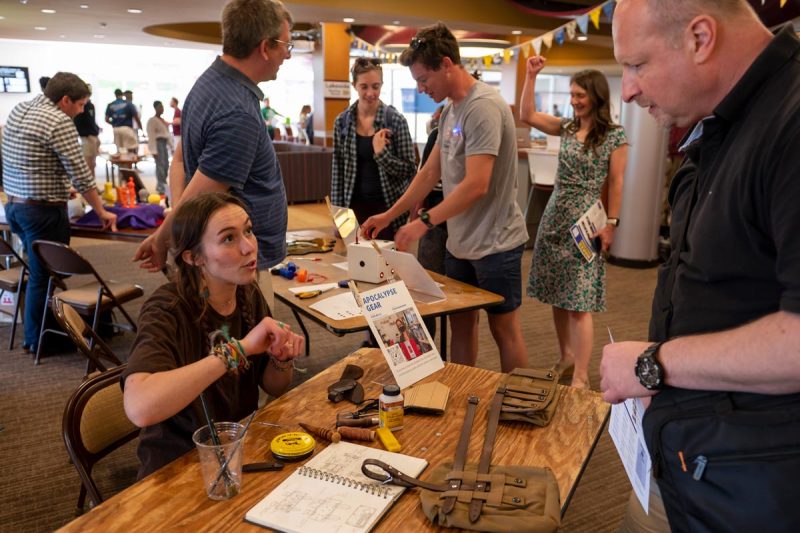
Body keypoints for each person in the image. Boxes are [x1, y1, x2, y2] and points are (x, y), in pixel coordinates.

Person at [601, 0, 800, 530]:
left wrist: (654, 364)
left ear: (700, 38)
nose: (628, 89)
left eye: (637, 64)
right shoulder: (722, 125)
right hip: (693, 462)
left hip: (752, 491)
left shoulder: (790, 123)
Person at [361, 23, 529, 373]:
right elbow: (428, 174)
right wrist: (389, 215)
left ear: (447, 64)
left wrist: (424, 223)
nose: (422, 89)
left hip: (496, 244)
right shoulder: (452, 108)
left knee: (505, 331)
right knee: (461, 325)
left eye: (425, 80)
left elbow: (476, 184)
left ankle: (524, 408)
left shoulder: (482, 107)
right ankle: (465, 390)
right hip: (461, 243)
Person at [122, 192, 304, 479]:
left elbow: (275, 387)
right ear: (194, 258)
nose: (249, 247)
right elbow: (140, 408)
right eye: (228, 238)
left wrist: (281, 359)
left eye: (248, 231)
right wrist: (237, 350)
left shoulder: (247, 293)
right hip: (178, 466)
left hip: (236, 451)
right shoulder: (167, 309)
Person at [133, 0, 293, 315]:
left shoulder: (208, 84)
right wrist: (168, 237)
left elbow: (181, 162)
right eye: (286, 46)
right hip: (237, 254)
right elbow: (206, 187)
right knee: (250, 346)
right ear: (265, 47)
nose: (286, 56)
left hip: (222, 248)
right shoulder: (237, 110)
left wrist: (181, 228)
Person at [520, 57, 628, 390]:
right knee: (557, 294)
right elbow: (527, 115)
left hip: (587, 223)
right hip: (555, 216)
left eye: (580, 94)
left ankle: (582, 374)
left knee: (580, 304)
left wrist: (612, 223)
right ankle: (566, 357)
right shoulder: (566, 127)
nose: (574, 100)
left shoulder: (614, 136)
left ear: (596, 96)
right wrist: (531, 75)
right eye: (571, 94)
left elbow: (617, 180)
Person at [1, 72, 117, 354]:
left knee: (38, 270)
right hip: (40, 213)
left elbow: (28, 158)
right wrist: (101, 211)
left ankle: (43, 329)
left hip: (15, 207)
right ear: (65, 100)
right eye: (80, 105)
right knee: (44, 276)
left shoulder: (21, 108)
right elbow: (81, 174)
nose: (81, 112)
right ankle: (37, 341)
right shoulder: (59, 121)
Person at [331, 57, 416, 240]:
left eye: (376, 87)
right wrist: (338, 216)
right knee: (355, 262)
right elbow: (338, 172)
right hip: (353, 209)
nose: (370, 93)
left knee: (385, 264)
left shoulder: (395, 121)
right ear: (354, 85)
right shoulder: (342, 122)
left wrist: (382, 154)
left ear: (382, 85)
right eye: (364, 87)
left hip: (387, 210)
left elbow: (409, 170)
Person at [146, 100, 174, 195]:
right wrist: (153, 150)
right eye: (160, 107)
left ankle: (162, 184)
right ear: (156, 108)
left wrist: (172, 146)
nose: (162, 109)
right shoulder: (152, 120)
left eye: (162, 107)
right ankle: (161, 187)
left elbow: (167, 134)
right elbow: (151, 136)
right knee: (160, 166)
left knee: (165, 165)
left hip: (164, 144)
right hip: (158, 144)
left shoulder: (162, 120)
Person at [73, 85, 101, 176]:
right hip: (87, 136)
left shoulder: (89, 105)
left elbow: (91, 120)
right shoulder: (83, 105)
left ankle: (92, 184)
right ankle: (90, 187)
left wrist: (96, 129)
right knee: (89, 164)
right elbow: (79, 121)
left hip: (91, 135)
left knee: (92, 163)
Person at [105, 88, 140, 154]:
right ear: (122, 94)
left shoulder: (110, 105)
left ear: (115, 95)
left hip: (116, 129)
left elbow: (106, 119)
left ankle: (122, 164)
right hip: (127, 128)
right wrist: (141, 127)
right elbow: (136, 117)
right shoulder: (128, 104)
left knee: (120, 150)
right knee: (130, 150)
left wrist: (114, 123)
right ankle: (128, 164)